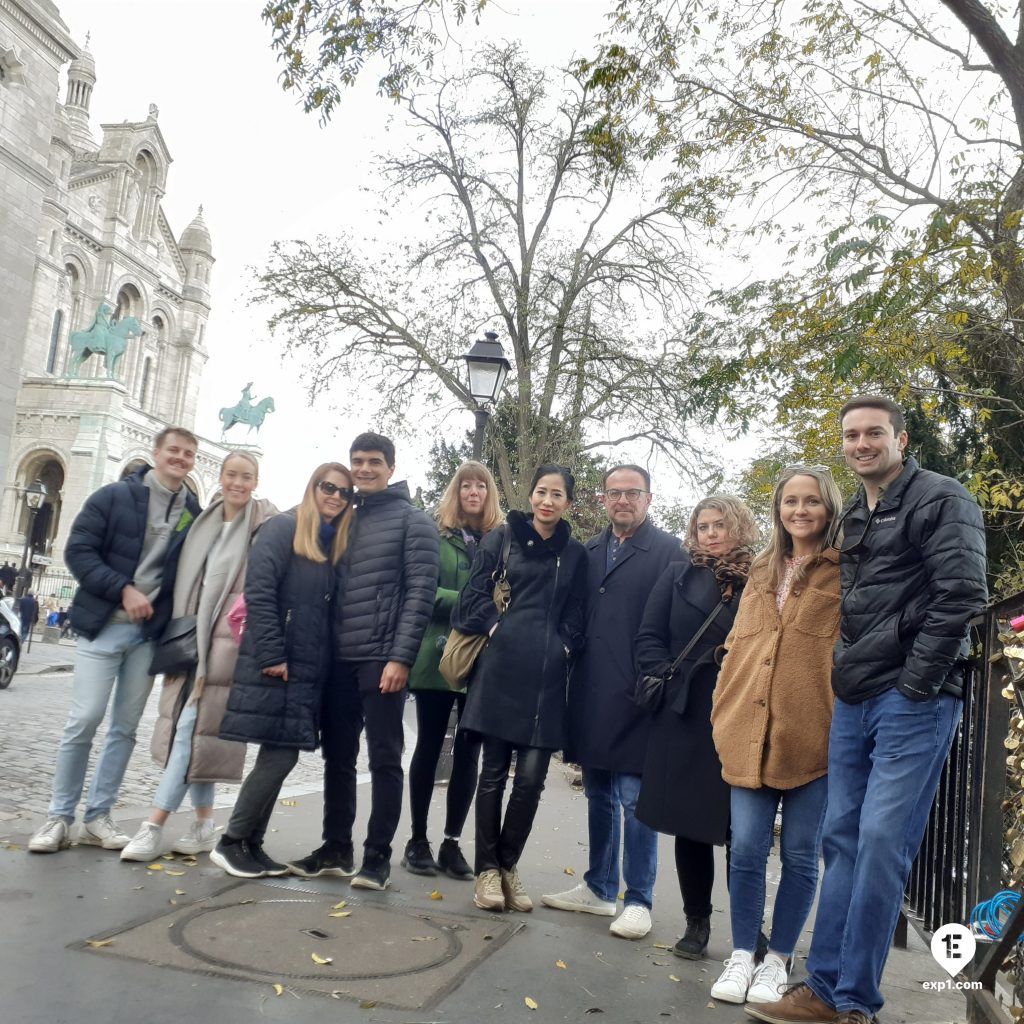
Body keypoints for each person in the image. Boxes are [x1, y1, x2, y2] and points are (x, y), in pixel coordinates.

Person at [746, 397, 987, 1024]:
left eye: (873, 433)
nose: (861, 444)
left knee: (881, 842)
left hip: (915, 698)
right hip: (855, 698)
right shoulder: (853, 513)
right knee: (841, 842)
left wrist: (914, 684)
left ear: (900, 440)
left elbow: (962, 595)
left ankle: (855, 1001)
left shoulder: (942, 498)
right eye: (851, 434)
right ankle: (824, 989)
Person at [706, 466, 843, 1004]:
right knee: (745, 850)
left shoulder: (845, 572)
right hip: (746, 728)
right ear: (778, 509)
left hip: (815, 736)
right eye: (790, 501)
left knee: (802, 855)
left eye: (811, 501)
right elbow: (740, 643)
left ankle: (778, 959)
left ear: (828, 508)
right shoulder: (762, 568)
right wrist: (723, 708)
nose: (800, 510)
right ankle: (743, 954)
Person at [28, 427, 200, 854]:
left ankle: (97, 818)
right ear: (157, 454)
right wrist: (123, 587)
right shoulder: (113, 496)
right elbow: (79, 550)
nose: (180, 458)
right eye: (173, 451)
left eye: (188, 454)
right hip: (103, 625)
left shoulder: (192, 513)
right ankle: (58, 817)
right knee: (83, 720)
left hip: (147, 637)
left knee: (124, 729)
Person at [289, 433, 439, 890]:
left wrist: (401, 657)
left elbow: (420, 594)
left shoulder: (415, 522)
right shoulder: (345, 517)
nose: (364, 469)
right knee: (338, 756)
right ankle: (336, 847)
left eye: (374, 461)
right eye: (358, 461)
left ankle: (377, 856)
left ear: (391, 467)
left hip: (381, 658)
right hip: (338, 658)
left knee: (385, 758)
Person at [543, 464, 684, 940]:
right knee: (598, 794)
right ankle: (600, 888)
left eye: (632, 493)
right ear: (602, 499)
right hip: (589, 690)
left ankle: (639, 899)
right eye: (614, 493)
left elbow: (677, 626)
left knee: (633, 800)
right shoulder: (590, 550)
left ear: (648, 498)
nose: (622, 500)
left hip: (639, 696)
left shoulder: (669, 552)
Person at [119, 453, 277, 862]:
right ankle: (205, 824)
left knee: (190, 731)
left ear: (256, 481)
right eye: (231, 475)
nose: (237, 483)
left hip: (227, 647)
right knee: (196, 737)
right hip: (190, 639)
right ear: (220, 478)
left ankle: (153, 825)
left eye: (246, 477)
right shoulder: (201, 522)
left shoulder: (264, 525)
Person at [452, 465, 588, 913]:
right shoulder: (503, 538)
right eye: (541, 493)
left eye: (557, 495)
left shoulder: (575, 553)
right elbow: (471, 597)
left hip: (547, 679)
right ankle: (487, 871)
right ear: (531, 496)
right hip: (501, 671)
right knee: (492, 774)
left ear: (569, 502)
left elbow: (578, 612)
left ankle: (508, 865)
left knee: (530, 781)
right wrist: (494, 628)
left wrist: (564, 646)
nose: (548, 502)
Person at [210, 462, 353, 878]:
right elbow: (260, 591)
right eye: (328, 487)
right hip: (278, 662)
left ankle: (252, 843)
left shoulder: (328, 544)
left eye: (344, 493)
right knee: (281, 754)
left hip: (306, 666)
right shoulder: (282, 528)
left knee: (281, 752)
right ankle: (231, 841)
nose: (336, 496)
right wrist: (273, 655)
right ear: (312, 487)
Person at [634, 495, 759, 959]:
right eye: (703, 526)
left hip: (739, 710)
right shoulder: (677, 575)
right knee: (690, 825)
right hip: (685, 710)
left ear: (740, 527)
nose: (710, 533)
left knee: (741, 829)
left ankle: (749, 930)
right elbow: (648, 636)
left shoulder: (761, 578)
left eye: (719, 524)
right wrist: (667, 683)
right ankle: (696, 922)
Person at [402, 461, 503, 880]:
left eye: (481, 485)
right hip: (438, 656)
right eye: (466, 485)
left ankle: (451, 843)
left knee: (468, 754)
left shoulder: (502, 540)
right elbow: (422, 590)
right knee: (428, 746)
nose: (474, 492)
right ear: (456, 491)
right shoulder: (436, 533)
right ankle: (418, 840)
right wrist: (473, 605)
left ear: (489, 493)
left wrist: (487, 610)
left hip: (483, 658)